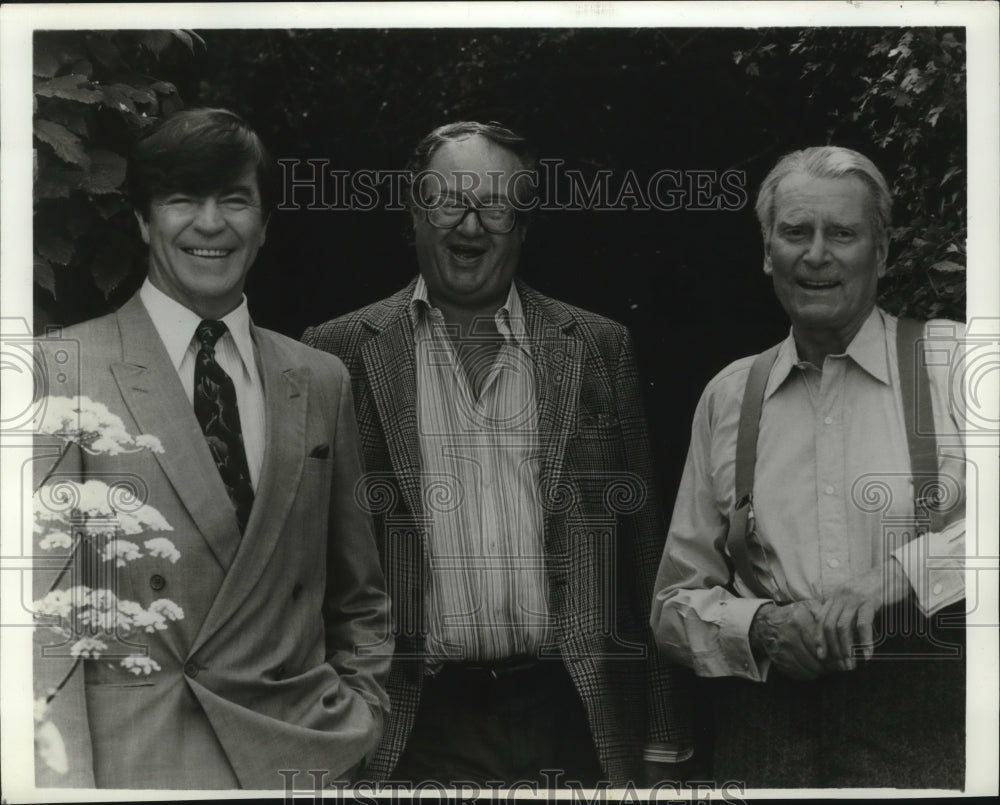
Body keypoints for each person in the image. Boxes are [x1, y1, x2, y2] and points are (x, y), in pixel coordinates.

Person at [302, 121, 691, 786]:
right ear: (414, 214)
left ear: (525, 225)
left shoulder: (599, 346)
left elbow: (642, 552)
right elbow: (310, 566)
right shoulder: (337, 352)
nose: (471, 224)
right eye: (449, 200)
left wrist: (664, 737)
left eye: (496, 204)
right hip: (410, 723)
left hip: (572, 713)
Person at [32, 108, 391, 789]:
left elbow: (358, 598)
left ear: (263, 225)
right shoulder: (62, 368)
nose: (210, 222)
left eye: (234, 199)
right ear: (143, 221)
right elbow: (43, 629)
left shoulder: (319, 379)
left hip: (297, 761)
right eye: (181, 199)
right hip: (138, 767)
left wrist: (360, 720)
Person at [650, 146, 966, 788]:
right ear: (768, 252)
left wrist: (893, 579)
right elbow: (672, 606)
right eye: (796, 232)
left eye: (842, 234)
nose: (816, 254)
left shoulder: (953, 364)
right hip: (766, 741)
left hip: (934, 730)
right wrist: (760, 627)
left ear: (880, 253)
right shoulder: (731, 395)